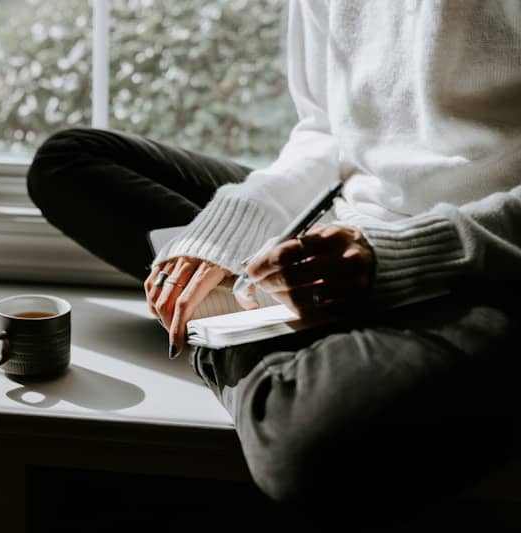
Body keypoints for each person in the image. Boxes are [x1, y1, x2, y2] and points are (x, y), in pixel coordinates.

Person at [27, 0, 521, 525]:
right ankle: (257, 315)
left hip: (486, 266)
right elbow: (325, 132)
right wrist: (228, 229)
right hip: (340, 224)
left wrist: (401, 256)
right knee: (71, 162)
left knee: (305, 448)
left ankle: (221, 323)